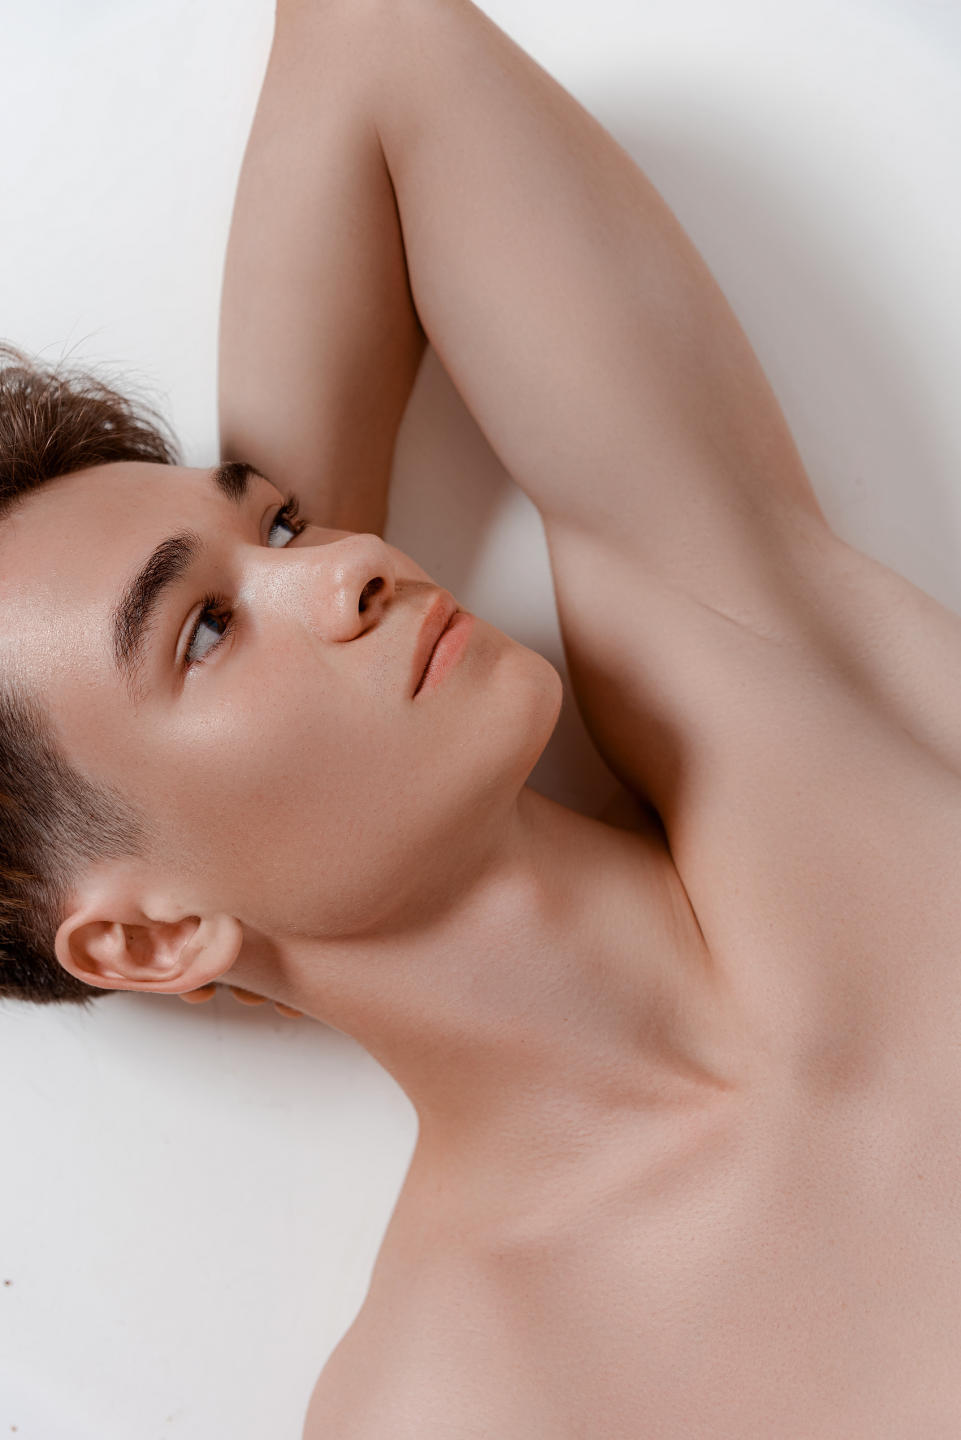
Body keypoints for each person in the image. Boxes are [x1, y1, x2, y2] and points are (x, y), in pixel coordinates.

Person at [2, 0, 960, 1433]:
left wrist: (250, 818)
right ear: (144, 939)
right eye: (202, 629)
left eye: (285, 522)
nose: (350, 567)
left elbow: (374, 36)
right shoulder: (461, 1396)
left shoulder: (780, 704)